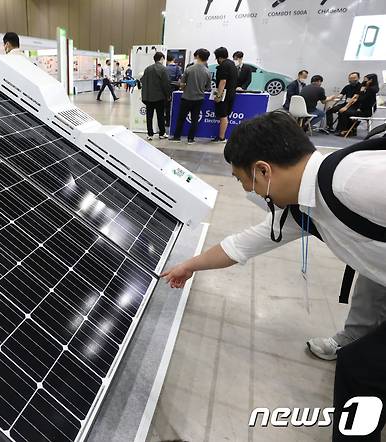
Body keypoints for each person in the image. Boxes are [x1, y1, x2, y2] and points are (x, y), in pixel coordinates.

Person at [161, 112, 386, 441]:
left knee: (360, 369)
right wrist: (188, 266)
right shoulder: (303, 207)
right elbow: (241, 244)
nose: (247, 191)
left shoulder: (354, 181)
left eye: (243, 181)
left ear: (263, 170)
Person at [171, 48, 212, 144]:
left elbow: (181, 84)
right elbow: (208, 87)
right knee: (195, 119)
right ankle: (190, 139)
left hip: (187, 97)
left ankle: (177, 137)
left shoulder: (189, 69)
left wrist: (185, 88)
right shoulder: (207, 72)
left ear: (197, 56)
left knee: (181, 118)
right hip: (199, 99)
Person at [140, 51, 171, 140]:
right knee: (160, 115)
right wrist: (168, 95)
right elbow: (166, 84)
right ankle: (162, 133)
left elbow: (142, 80)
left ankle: (150, 134)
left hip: (148, 97)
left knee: (149, 116)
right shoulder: (163, 69)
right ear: (161, 59)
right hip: (159, 97)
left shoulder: (147, 69)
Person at [212, 47, 238, 143]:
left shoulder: (223, 65)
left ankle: (221, 137)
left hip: (225, 95)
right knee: (225, 115)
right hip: (231, 93)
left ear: (219, 57)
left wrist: (218, 96)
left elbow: (223, 81)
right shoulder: (232, 64)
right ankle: (221, 136)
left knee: (223, 116)